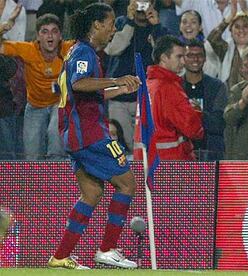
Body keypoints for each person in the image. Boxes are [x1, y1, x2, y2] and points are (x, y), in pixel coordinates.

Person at [48, 3, 141, 269]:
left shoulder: (80, 52)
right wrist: (116, 79)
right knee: (127, 184)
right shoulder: (84, 52)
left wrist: (120, 86)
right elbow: (79, 84)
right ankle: (108, 248)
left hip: (75, 136)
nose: (113, 29)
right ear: (97, 25)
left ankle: (61, 256)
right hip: (89, 134)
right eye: (111, 24)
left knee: (91, 193)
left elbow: (89, 92)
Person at [0, 11, 71, 160]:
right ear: (38, 36)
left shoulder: (69, 49)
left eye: (54, 31)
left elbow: (94, 42)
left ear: (60, 36)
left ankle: (56, 180)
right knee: (31, 155)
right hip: (35, 105)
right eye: (44, 32)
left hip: (59, 103)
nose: (50, 36)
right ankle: (36, 183)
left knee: (55, 135)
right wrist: (2, 30)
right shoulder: (28, 49)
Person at [104, 0, 169, 154]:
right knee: (121, 145)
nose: (141, 6)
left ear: (152, 3)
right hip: (119, 97)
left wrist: (157, 27)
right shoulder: (120, 23)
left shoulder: (158, 27)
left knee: (143, 147)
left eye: (145, 2)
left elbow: (164, 58)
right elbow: (112, 49)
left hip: (146, 99)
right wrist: (129, 22)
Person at [135, 35, 204, 160]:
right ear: (164, 58)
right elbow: (193, 129)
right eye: (179, 56)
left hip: (145, 161)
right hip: (170, 164)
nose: (183, 62)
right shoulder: (169, 88)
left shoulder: (147, 85)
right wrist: (196, 111)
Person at [183, 39, 227, 161]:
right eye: (190, 55)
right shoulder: (176, 86)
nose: (195, 59)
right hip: (182, 153)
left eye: (199, 55)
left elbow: (219, 124)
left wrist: (199, 113)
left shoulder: (217, 86)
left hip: (210, 153)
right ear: (183, 59)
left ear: (205, 58)